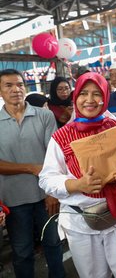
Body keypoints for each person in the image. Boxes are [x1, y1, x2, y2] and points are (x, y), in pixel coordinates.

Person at [39, 72, 116, 278]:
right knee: (93, 275)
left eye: (97, 94)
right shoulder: (61, 136)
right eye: (83, 93)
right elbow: (46, 179)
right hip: (80, 221)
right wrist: (78, 185)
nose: (90, 100)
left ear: (104, 97)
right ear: (75, 97)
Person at [0, 68, 66, 278]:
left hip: (45, 195)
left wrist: (52, 192)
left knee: (53, 244)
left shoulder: (44, 115)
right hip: (13, 199)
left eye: (19, 84)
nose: (15, 90)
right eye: (8, 86)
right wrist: (30, 167)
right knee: (22, 251)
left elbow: (54, 156)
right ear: (0, 91)